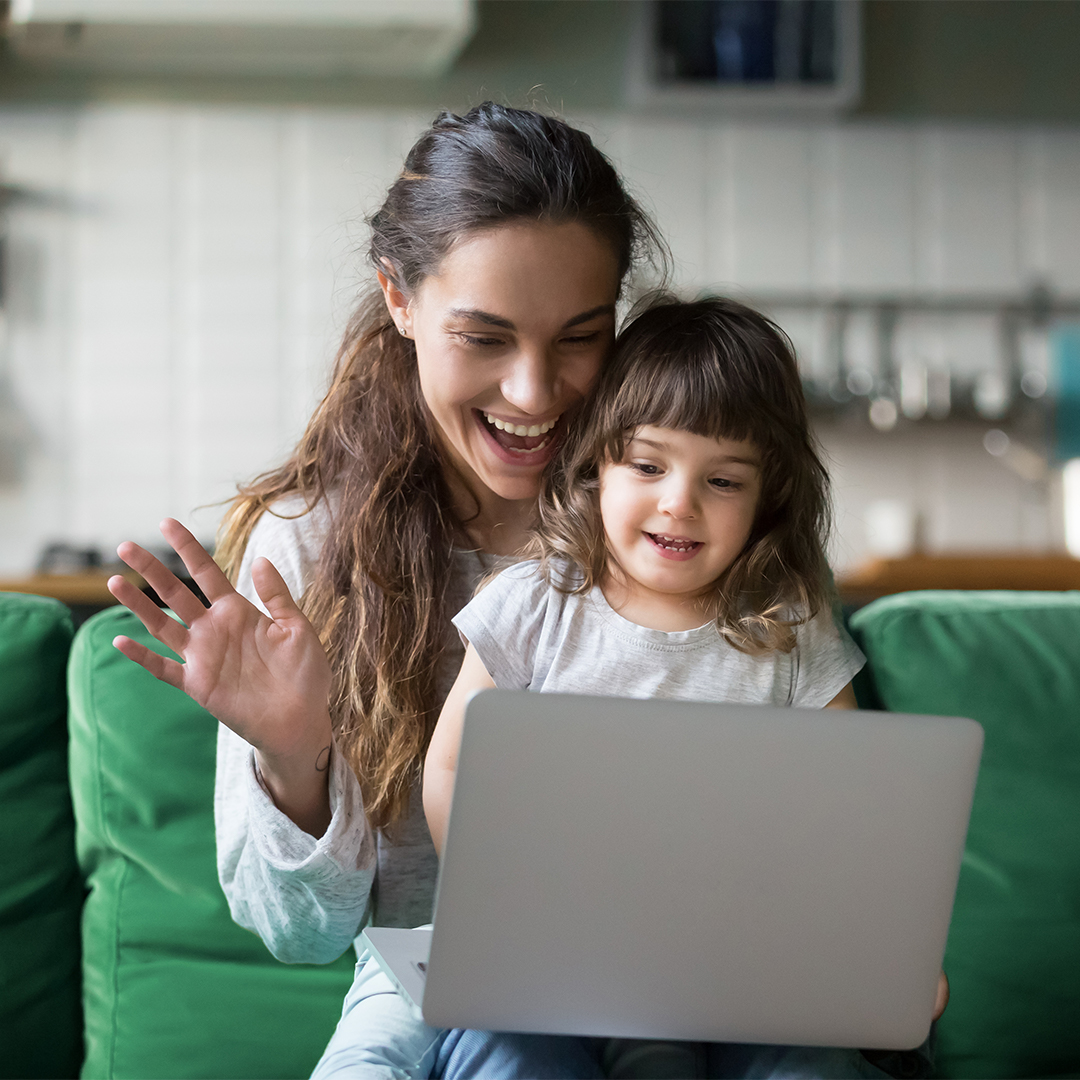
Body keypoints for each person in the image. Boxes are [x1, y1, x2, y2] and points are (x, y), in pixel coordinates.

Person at [106, 102, 665, 1080]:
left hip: (667, 992)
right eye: (485, 338)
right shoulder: (310, 545)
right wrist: (294, 758)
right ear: (399, 301)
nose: (535, 394)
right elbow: (305, 938)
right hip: (438, 1005)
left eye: (580, 336)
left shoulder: (672, 527)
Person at [417, 296, 941, 1079]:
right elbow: (455, 767)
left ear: (768, 498)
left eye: (724, 480)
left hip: (745, 972)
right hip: (560, 966)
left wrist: (882, 953)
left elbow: (851, 816)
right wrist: (499, 902)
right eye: (648, 464)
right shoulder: (535, 604)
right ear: (597, 461)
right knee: (508, 1060)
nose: (679, 502)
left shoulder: (789, 628)